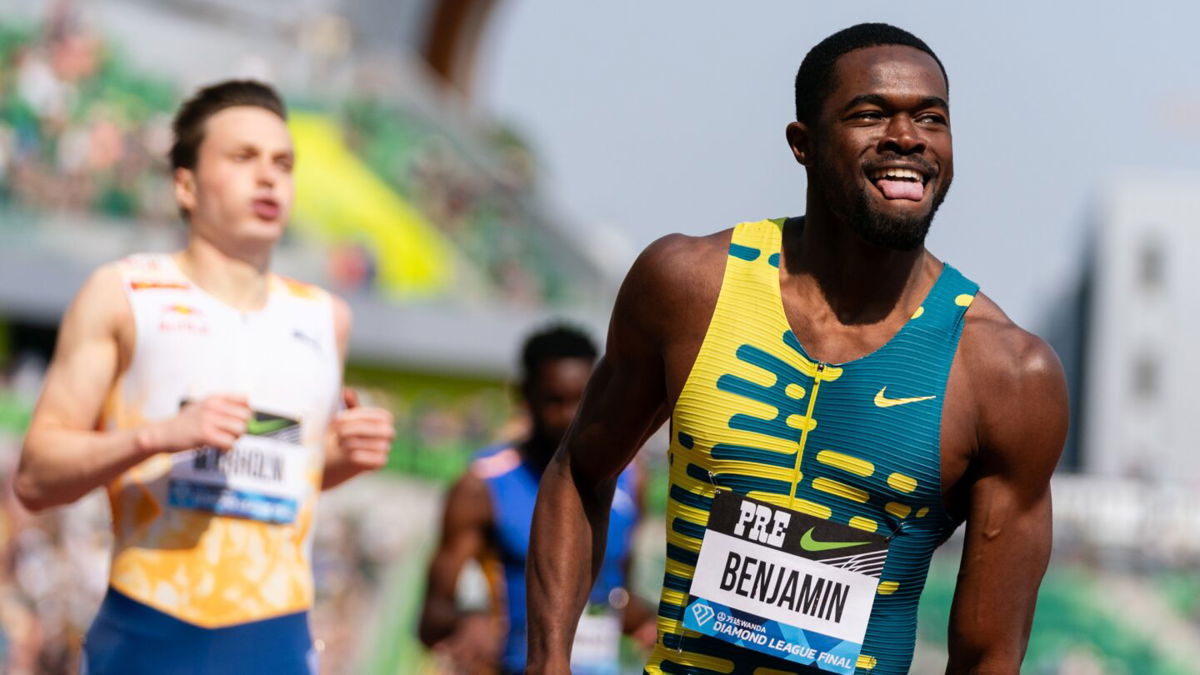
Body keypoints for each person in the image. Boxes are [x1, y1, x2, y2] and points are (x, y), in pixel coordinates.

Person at [524, 23, 1068, 675]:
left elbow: (988, 656)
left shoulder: (1006, 372)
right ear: (802, 145)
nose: (908, 136)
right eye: (871, 114)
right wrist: (548, 660)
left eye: (932, 117)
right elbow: (580, 472)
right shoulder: (687, 286)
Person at [13, 80, 396, 674]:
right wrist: (157, 435)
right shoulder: (125, 294)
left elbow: (281, 479)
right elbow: (37, 478)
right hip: (151, 629)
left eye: (283, 163)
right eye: (244, 158)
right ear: (185, 184)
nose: (269, 178)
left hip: (275, 636)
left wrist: (339, 457)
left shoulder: (325, 318)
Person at [418, 325, 656, 674]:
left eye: (583, 399)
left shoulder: (632, 475)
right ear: (525, 395)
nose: (571, 417)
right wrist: (469, 621)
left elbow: (616, 589)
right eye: (555, 400)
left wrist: (651, 620)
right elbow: (431, 619)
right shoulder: (482, 486)